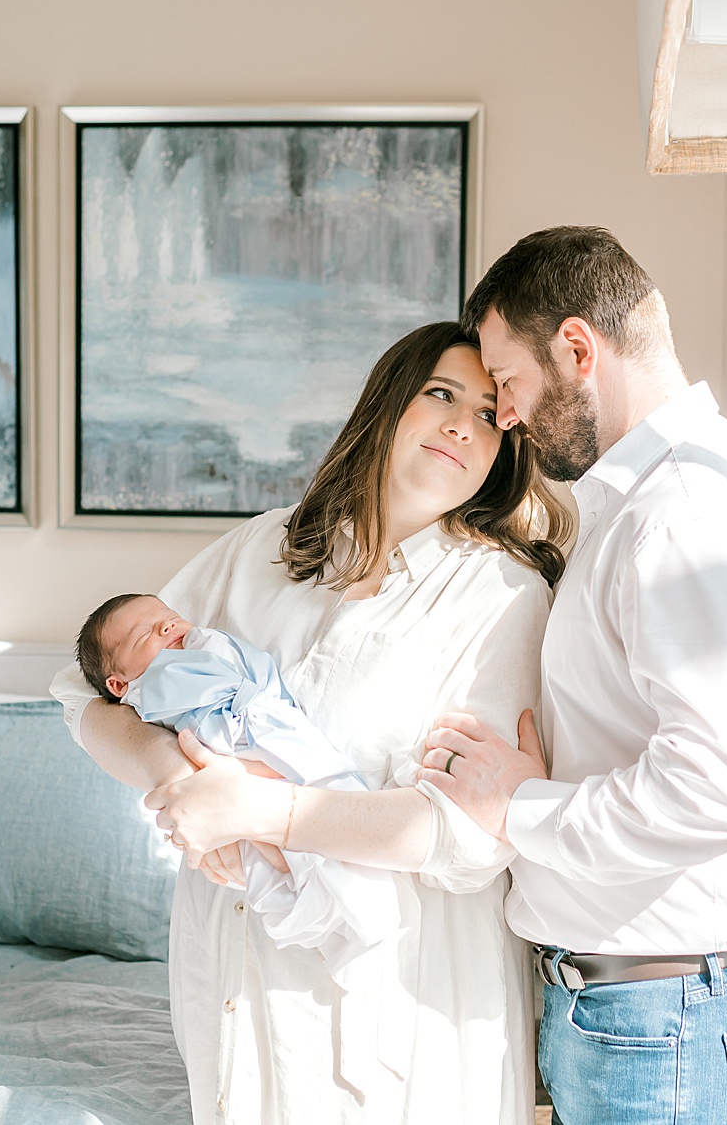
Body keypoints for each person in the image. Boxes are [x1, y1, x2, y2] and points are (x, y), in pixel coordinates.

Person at [49, 320, 569, 1125]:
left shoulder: (500, 597)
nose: (465, 424)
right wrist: (180, 779)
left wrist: (259, 812)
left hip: (401, 1017)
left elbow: (472, 838)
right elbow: (86, 697)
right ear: (389, 402)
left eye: (490, 414)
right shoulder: (261, 550)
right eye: (441, 393)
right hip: (227, 992)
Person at [421, 227, 727, 1125]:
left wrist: (518, 807)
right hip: (662, 1013)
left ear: (578, 350)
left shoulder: (687, 512)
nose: (502, 415)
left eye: (509, 383)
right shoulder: (654, 503)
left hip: (682, 1018)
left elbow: (719, 787)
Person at [72, 591, 403, 976]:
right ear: (117, 684)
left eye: (169, 616)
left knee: (330, 818)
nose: (166, 626)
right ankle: (336, 916)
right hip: (243, 752)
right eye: (144, 634)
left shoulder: (195, 653)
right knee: (281, 851)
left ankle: (346, 914)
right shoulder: (150, 687)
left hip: (268, 740)